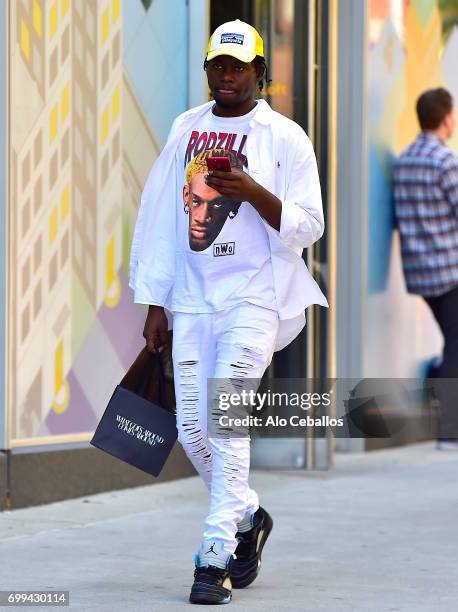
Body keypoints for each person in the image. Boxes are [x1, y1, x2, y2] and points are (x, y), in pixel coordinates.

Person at [129, 19, 329, 605]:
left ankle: (213, 556)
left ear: (261, 74)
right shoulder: (186, 128)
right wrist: (155, 302)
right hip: (192, 297)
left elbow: (310, 223)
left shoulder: (285, 138)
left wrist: (252, 193)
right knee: (194, 429)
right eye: (219, 64)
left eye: (240, 66)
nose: (228, 75)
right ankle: (249, 516)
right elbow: (162, 216)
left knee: (227, 422)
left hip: (254, 295)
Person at [393, 87, 458, 450]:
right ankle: (449, 431)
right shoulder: (445, 161)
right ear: (447, 118)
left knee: (452, 339)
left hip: (419, 270)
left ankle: (434, 376)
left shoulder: (405, 159)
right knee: (457, 343)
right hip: (449, 269)